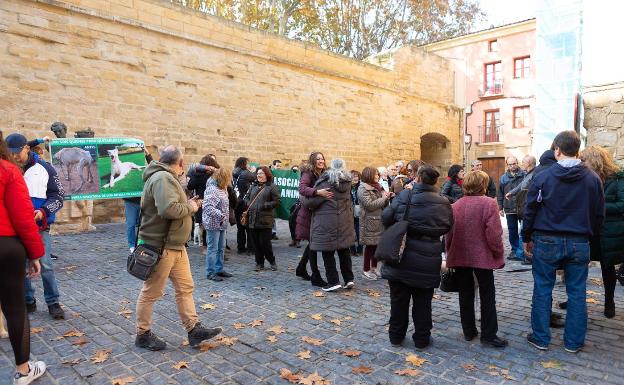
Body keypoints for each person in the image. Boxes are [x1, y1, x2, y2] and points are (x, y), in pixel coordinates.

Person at [522, 131, 604, 353]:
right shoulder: (592, 179)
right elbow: (599, 214)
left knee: (542, 288)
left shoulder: (544, 177)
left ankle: (541, 338)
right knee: (577, 292)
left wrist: (526, 237)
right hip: (579, 241)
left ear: (557, 150)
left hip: (547, 239)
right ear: (577, 150)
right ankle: (573, 342)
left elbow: (530, 210)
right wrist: (590, 236)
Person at [135, 145, 221, 351]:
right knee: (151, 292)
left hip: (175, 245)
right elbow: (168, 209)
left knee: (185, 288)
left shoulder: (164, 177)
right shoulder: (162, 178)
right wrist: (191, 207)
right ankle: (142, 334)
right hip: (162, 246)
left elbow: (171, 204)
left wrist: (187, 202)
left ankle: (194, 329)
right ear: (180, 163)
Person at [381, 165, 453, 349]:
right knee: (423, 303)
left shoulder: (406, 195)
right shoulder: (443, 201)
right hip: (428, 256)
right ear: (435, 181)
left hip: (402, 254)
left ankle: (396, 336)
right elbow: (447, 226)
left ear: (418, 178)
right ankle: (422, 339)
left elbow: (386, 217)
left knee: (398, 300)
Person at [0, 132, 47, 385]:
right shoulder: (7, 170)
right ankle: (23, 370)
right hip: (5, 244)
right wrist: (35, 254)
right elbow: (22, 217)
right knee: (15, 308)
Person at [445, 171, 507, 348]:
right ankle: (488, 335)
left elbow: (448, 234)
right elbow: (494, 234)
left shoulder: (455, 205)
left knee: (465, 294)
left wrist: (449, 251)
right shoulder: (488, 204)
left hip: (461, 255)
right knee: (487, 294)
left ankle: (469, 331)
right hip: (483, 257)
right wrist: (498, 252)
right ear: (483, 185)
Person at [6, 133, 65, 320]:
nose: (14, 156)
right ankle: (28, 300)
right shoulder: (7, 168)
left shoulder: (45, 168)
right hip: (13, 228)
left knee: (46, 264)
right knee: (20, 265)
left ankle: (53, 302)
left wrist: (44, 211)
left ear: (26, 149)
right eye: (11, 153)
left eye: (17, 152)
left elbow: (58, 195)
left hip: (38, 226)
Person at [577, 146, 624, 318]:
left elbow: (622, 205)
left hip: (608, 231)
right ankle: (576, 301)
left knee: (607, 267)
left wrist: (599, 207)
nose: (581, 163)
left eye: (584, 160)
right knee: (579, 266)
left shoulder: (618, 179)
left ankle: (609, 301)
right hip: (589, 229)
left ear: (595, 160)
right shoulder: (585, 178)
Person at [303, 158, 356, 292]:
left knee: (328, 252)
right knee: (344, 251)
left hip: (327, 222)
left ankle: (333, 282)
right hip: (344, 221)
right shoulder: (348, 182)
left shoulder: (326, 182)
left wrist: (302, 197)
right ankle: (349, 279)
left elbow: (311, 202)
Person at [295, 152, 331, 286]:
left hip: (319, 212)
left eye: (322, 158)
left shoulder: (325, 173)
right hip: (309, 213)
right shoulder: (308, 173)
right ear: (313, 161)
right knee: (314, 244)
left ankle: (301, 268)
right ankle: (315, 275)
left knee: (312, 243)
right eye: (318, 159)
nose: (321, 161)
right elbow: (302, 188)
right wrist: (317, 192)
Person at [358, 166, 393, 280]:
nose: (377, 176)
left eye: (378, 174)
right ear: (369, 175)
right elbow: (369, 205)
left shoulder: (378, 186)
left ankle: (374, 268)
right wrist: (383, 198)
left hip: (379, 220)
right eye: (375, 175)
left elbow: (382, 203)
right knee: (369, 246)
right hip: (369, 221)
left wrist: (387, 197)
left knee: (376, 246)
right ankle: (366, 270)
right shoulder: (363, 188)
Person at [244, 166, 281, 271]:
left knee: (265, 244)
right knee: (256, 244)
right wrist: (249, 203)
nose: (259, 175)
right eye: (258, 173)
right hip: (252, 219)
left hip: (265, 220)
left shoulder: (272, 187)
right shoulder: (253, 186)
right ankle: (259, 263)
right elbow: (246, 197)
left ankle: (272, 260)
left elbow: (277, 201)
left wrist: (265, 205)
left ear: (267, 175)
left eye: (261, 173)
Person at [202, 167, 233, 281]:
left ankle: (219, 269)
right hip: (213, 224)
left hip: (221, 223)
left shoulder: (222, 188)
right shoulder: (212, 189)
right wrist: (221, 215)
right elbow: (208, 207)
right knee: (213, 248)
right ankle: (210, 272)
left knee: (221, 248)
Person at [123, 148, 153, 253]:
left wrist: (148, 154)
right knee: (131, 224)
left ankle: (141, 243)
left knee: (143, 224)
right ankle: (131, 245)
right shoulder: (125, 168)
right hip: (130, 201)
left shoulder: (144, 168)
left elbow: (155, 166)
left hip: (143, 201)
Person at [497, 156, 525, 261]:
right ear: (507, 165)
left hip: (521, 207)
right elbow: (500, 193)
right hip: (509, 208)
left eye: (514, 163)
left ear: (517, 163)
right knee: (512, 230)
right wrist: (500, 207)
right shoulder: (503, 178)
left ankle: (522, 250)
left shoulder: (524, 175)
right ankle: (514, 249)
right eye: (510, 164)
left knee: (523, 230)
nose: (512, 166)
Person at [187, 155, 218, 248]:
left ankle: (206, 245)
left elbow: (190, 186)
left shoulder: (199, 175)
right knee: (213, 225)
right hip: (215, 202)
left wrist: (196, 174)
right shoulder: (217, 174)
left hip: (202, 202)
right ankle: (213, 245)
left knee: (204, 225)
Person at [233, 157, 256, 254]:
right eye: (247, 163)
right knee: (249, 226)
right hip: (246, 203)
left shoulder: (234, 172)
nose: (248, 165)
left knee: (240, 227)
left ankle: (241, 248)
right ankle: (251, 248)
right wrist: (253, 171)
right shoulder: (246, 173)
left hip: (238, 202)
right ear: (244, 164)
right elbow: (256, 178)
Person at [350, 170, 363, 256]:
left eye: (357, 176)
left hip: (359, 211)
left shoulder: (361, 187)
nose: (356, 178)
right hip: (350, 211)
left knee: (359, 231)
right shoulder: (347, 187)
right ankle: (352, 250)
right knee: (350, 231)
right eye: (354, 176)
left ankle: (360, 250)